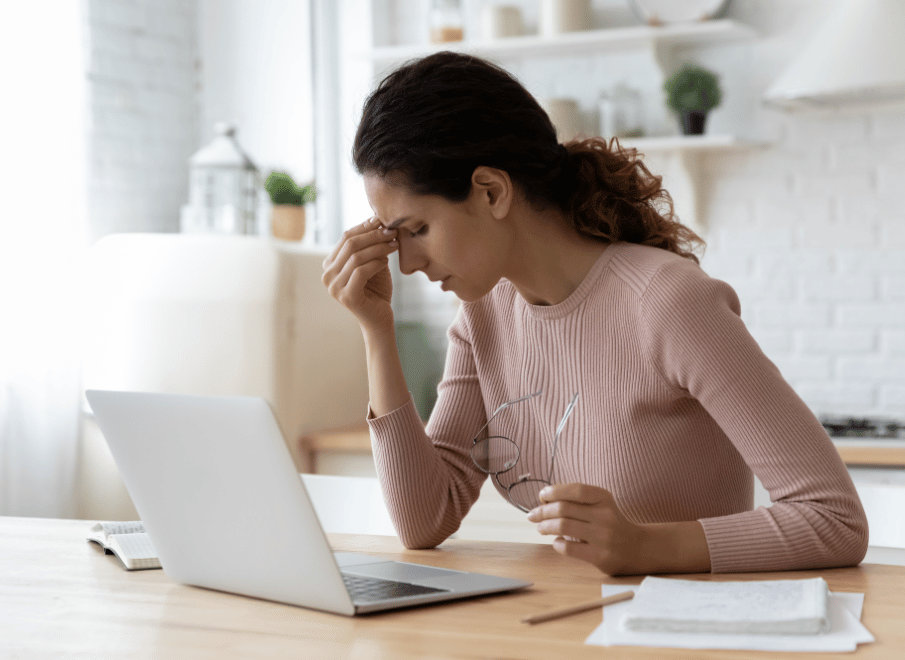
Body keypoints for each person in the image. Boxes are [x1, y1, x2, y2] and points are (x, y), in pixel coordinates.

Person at [321, 51, 867, 576]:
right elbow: (423, 519)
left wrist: (645, 546)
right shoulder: (483, 316)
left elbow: (834, 518)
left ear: (491, 191)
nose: (409, 263)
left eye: (417, 229)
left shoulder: (670, 303)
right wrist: (376, 330)